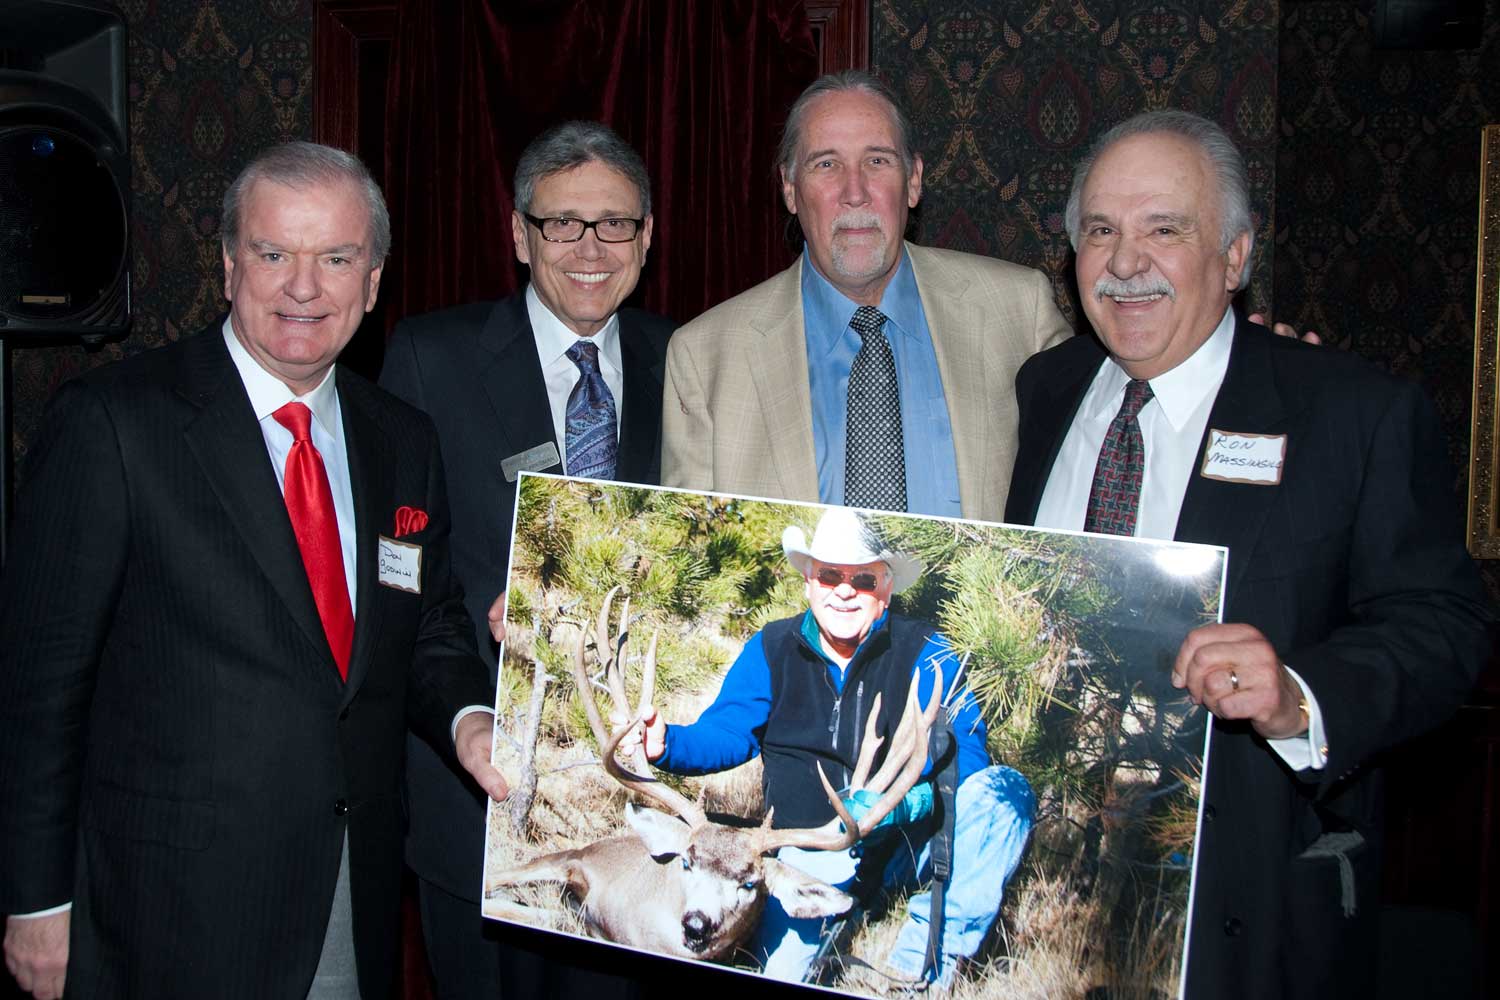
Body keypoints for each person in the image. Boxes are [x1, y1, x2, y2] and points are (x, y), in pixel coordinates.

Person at [0, 142, 506, 1000]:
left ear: (373, 281)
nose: (303, 287)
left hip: (349, 889)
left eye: (336, 258)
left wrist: (469, 719)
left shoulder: (403, 439)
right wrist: (37, 900)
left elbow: (427, 623)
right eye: (274, 254)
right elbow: (39, 685)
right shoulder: (114, 422)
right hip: (160, 907)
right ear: (230, 267)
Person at [1003, 109, 1491, 999]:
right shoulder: (1047, 389)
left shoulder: (1350, 412)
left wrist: (1299, 695)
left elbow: (1446, 623)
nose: (1125, 263)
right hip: (1053, 875)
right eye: (1101, 231)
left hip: (1250, 917)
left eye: (1165, 230)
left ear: (1234, 257)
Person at [379, 121, 672, 999]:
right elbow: (397, 570)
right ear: (519, 233)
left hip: (639, 812)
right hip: (479, 802)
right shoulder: (430, 357)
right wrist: (477, 663)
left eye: (615, 223)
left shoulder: (687, 358)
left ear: (647, 237)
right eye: (562, 223)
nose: (590, 248)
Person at [634, 507, 1034, 989]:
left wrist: (908, 804)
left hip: (906, 847)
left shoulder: (930, 652)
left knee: (1006, 793)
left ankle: (920, 970)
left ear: (886, 588)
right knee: (779, 971)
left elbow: (968, 758)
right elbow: (728, 731)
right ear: (809, 581)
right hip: (808, 851)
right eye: (829, 575)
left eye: (863, 579)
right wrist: (668, 742)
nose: (844, 591)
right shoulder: (772, 648)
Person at [660, 70, 1073, 521]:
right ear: (790, 189)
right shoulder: (705, 357)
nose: (854, 193)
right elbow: (691, 547)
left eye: (877, 161)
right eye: (826, 165)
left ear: (913, 181)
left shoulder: (1021, 313)